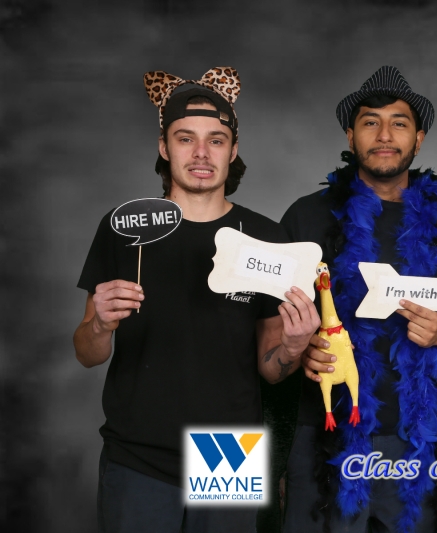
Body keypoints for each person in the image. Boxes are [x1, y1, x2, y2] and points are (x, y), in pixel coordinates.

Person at [73, 67, 320, 533]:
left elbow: (273, 368)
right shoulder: (123, 228)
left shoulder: (266, 238)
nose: (202, 153)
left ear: (233, 150)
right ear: (164, 147)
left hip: (229, 451)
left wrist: (293, 345)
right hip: (137, 450)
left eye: (216, 140)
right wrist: (100, 326)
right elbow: (87, 353)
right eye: (186, 139)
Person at [280, 66, 437, 533]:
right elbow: (270, 326)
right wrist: (300, 349)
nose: (384, 135)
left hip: (415, 437)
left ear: (418, 139)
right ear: (350, 136)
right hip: (325, 433)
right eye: (370, 122)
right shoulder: (306, 217)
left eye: (399, 123)